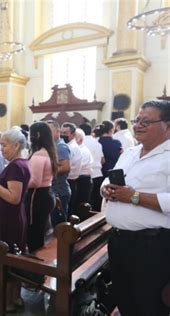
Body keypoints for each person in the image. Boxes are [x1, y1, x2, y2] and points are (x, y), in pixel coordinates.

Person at [101, 100, 170, 315]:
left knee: (148, 304)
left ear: (167, 125)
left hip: (151, 245)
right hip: (119, 241)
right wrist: (106, 189)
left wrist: (134, 197)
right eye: (136, 120)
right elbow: (109, 177)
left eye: (146, 121)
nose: (138, 125)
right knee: (125, 300)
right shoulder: (130, 152)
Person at [0, 127, 31, 313]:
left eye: (4, 145)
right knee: (13, 257)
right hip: (11, 218)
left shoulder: (15, 166)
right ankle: (15, 297)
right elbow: (7, 190)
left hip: (7, 220)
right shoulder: (19, 164)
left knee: (5, 259)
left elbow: (13, 197)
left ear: (17, 145)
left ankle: (4, 303)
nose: (1, 149)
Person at [25, 122, 57, 252]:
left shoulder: (38, 155)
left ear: (37, 135)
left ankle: (34, 265)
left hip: (36, 197)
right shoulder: (48, 152)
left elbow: (34, 182)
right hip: (46, 193)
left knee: (34, 233)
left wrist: (19, 182)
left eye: (30, 134)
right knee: (39, 230)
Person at [47, 120, 71, 226]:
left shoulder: (60, 146)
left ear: (57, 131)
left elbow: (66, 167)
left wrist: (45, 173)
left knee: (58, 224)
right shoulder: (51, 146)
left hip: (58, 191)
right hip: (53, 190)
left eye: (48, 131)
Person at [80, 122, 104, 211]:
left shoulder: (81, 143)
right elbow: (102, 160)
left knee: (84, 202)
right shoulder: (97, 143)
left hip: (86, 175)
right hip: (98, 173)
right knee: (96, 201)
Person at [60, 122, 82, 215]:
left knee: (65, 211)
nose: (62, 135)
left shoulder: (71, 148)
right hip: (68, 181)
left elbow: (66, 167)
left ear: (73, 135)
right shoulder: (66, 146)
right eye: (61, 132)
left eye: (65, 133)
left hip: (69, 181)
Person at [74, 128, 93, 211]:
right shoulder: (77, 148)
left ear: (80, 140)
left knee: (81, 206)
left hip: (83, 180)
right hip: (80, 179)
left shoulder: (82, 150)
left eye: (74, 137)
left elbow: (78, 166)